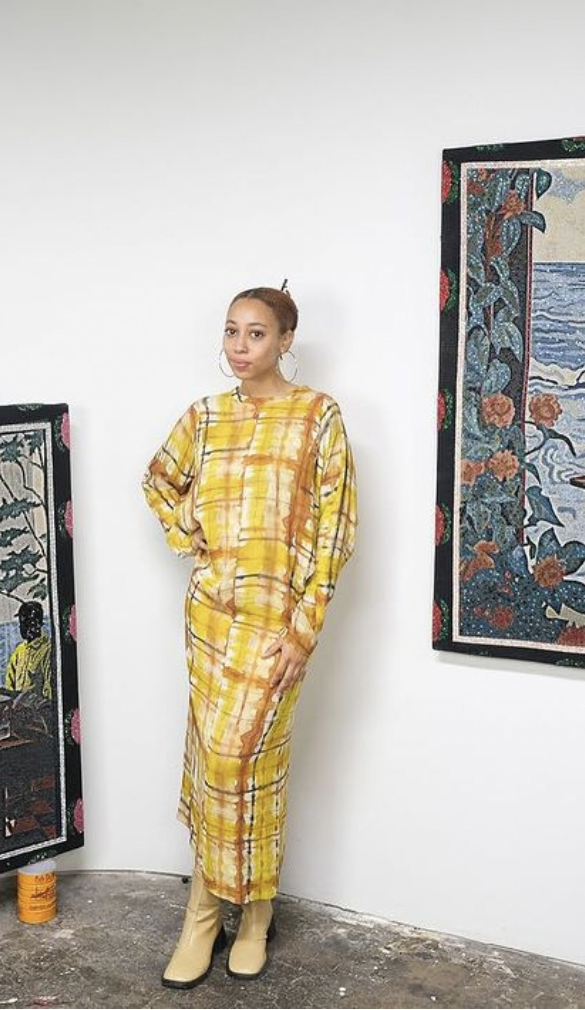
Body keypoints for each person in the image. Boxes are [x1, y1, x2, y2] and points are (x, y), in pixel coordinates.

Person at [142, 283, 357, 987]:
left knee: (246, 761)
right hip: (210, 621)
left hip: (276, 627)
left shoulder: (318, 416)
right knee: (216, 761)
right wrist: (191, 534)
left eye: (256, 333)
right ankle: (206, 917)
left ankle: (253, 914)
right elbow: (158, 482)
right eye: (231, 331)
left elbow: (336, 531)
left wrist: (304, 631)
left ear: (286, 340)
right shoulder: (204, 417)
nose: (240, 346)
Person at [3, 600, 53, 699]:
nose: (22, 627)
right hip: (16, 703)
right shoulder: (19, 651)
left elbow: (49, 690)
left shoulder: (48, 649)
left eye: (27, 623)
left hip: (36, 704)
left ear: (38, 624)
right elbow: (9, 684)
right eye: (22, 623)